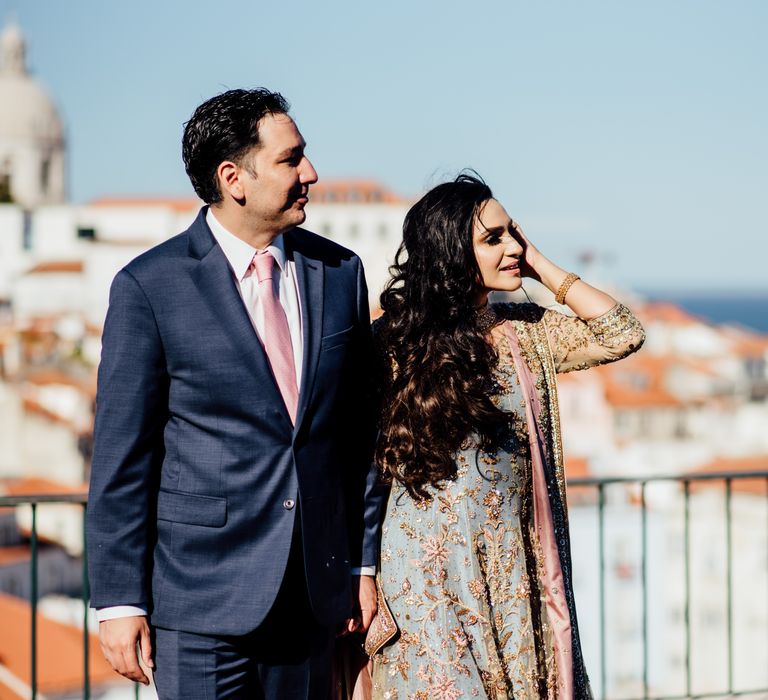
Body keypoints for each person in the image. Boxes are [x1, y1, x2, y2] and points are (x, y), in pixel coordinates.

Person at [86, 88, 382, 700]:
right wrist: (118, 599)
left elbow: (358, 436)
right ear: (233, 179)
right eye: (290, 159)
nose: (311, 172)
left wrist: (361, 563)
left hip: (313, 599)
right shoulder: (149, 287)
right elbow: (123, 456)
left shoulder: (341, 271)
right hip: (199, 605)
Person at [369, 174, 645, 699]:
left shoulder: (527, 330)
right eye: (493, 238)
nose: (513, 246)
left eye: (513, 233)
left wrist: (539, 266)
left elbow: (622, 333)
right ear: (451, 250)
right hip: (425, 576)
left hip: (515, 571)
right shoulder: (392, 341)